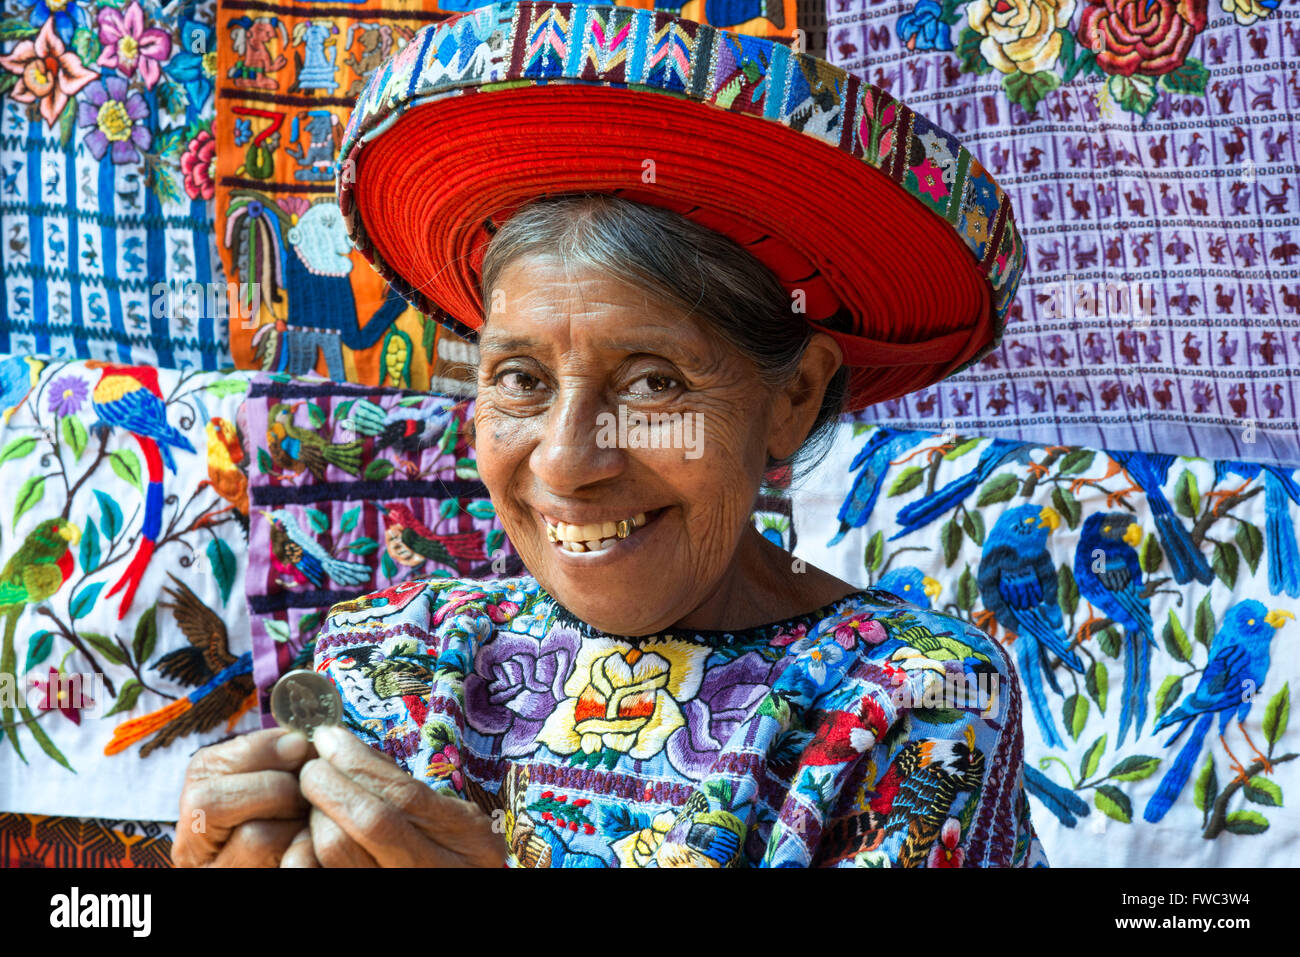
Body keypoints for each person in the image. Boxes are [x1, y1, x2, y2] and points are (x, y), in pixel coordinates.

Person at [174, 0, 1046, 868]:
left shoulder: (913, 701)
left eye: (654, 382)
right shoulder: (398, 660)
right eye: (521, 381)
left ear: (796, 396)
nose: (565, 461)